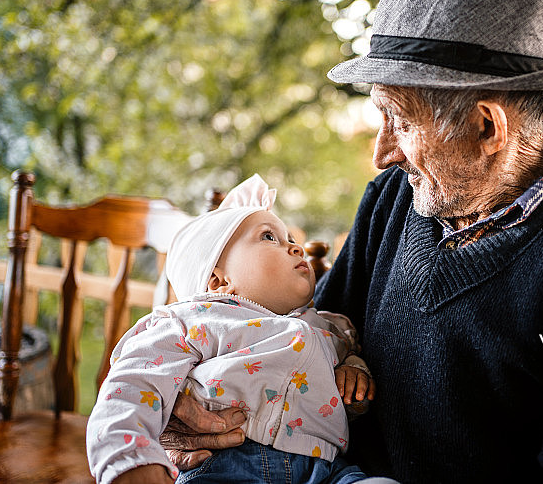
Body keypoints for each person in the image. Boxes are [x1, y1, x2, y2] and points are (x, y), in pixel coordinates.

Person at [160, 0, 543, 483]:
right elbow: (301, 341)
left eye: (399, 120)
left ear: (486, 125)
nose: (381, 153)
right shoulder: (398, 195)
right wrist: (185, 397)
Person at [86, 174, 379, 484]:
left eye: (292, 240)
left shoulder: (326, 327)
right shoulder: (197, 319)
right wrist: (131, 461)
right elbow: (133, 383)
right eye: (269, 237)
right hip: (226, 465)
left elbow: (351, 370)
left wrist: (353, 371)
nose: (295, 249)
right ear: (219, 281)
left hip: (323, 470)